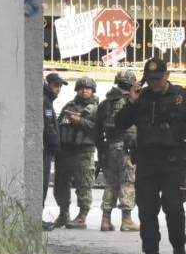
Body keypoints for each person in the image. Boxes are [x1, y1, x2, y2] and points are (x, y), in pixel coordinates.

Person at [114, 57, 186, 254]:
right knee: (147, 211)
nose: (154, 83)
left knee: (174, 209)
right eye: (150, 79)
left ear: (167, 76)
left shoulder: (182, 97)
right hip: (146, 162)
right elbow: (120, 123)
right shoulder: (141, 98)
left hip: (173, 163)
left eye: (158, 79)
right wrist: (131, 101)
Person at [94, 70, 140, 233]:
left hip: (110, 148)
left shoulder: (105, 103)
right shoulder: (133, 101)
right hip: (127, 149)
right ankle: (126, 220)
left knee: (111, 183)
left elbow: (97, 131)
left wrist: (101, 151)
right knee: (127, 182)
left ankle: (105, 220)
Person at [53, 76, 99, 229]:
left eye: (87, 88)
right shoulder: (69, 106)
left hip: (84, 151)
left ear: (93, 90)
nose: (84, 90)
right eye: (81, 88)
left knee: (84, 184)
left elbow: (98, 129)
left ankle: (82, 216)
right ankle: (63, 213)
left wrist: (81, 122)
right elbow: (59, 125)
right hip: (65, 151)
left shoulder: (96, 108)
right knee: (61, 184)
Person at [42, 72, 66, 231]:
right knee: (42, 184)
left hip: (47, 150)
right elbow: (49, 128)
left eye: (60, 86)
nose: (58, 89)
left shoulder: (47, 100)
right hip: (45, 150)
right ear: (48, 84)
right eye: (56, 85)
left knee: (43, 184)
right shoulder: (45, 101)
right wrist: (56, 145)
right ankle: (35, 218)